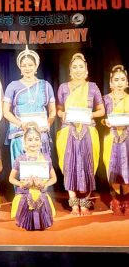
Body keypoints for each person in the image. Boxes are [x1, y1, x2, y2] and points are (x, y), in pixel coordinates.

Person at [56, 53, 105, 216]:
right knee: (69, 166)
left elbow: (102, 111)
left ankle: (84, 204)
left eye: (81, 67)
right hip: (68, 131)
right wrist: (61, 114)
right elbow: (59, 109)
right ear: (70, 70)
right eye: (74, 67)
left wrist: (88, 115)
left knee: (87, 166)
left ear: (86, 70)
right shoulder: (63, 88)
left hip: (87, 131)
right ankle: (73, 205)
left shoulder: (92, 87)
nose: (78, 70)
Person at [3, 46, 56, 166]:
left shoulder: (46, 85)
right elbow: (6, 112)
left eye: (30, 65)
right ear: (20, 68)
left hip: (40, 135)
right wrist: (22, 124)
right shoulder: (13, 86)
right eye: (24, 65)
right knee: (21, 171)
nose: (27, 68)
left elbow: (52, 111)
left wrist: (48, 124)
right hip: (19, 133)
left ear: (36, 66)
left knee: (41, 172)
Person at [9, 123, 57, 231]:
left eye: (36, 139)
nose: (33, 142)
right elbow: (11, 178)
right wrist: (22, 184)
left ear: (40, 142)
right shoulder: (20, 159)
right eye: (30, 140)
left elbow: (54, 178)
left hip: (41, 192)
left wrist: (44, 184)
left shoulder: (46, 158)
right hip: (25, 193)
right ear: (24, 143)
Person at [102, 65, 129, 215]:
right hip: (111, 137)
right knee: (112, 168)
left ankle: (126, 198)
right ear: (111, 82)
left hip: (127, 137)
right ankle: (116, 199)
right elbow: (99, 118)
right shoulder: (105, 99)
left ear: (127, 83)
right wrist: (104, 122)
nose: (119, 83)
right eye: (116, 80)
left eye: (122, 80)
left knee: (126, 168)